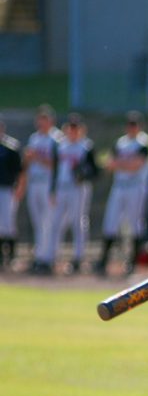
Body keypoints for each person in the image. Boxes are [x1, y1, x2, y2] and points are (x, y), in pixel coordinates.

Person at [96, 111, 148, 277]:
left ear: (139, 126)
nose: (132, 128)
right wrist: (123, 164)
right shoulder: (120, 143)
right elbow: (109, 164)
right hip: (120, 185)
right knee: (111, 221)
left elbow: (136, 165)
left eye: (135, 125)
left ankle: (132, 261)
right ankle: (103, 260)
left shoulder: (143, 142)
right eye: (130, 124)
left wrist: (120, 163)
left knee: (134, 223)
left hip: (136, 186)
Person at [47, 113, 97, 274]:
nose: (73, 131)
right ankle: (52, 257)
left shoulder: (86, 146)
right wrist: (52, 189)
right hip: (62, 186)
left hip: (78, 188)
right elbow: (55, 169)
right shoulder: (60, 145)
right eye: (70, 128)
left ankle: (78, 258)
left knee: (78, 222)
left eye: (76, 128)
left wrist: (84, 174)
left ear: (81, 130)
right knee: (56, 222)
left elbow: (94, 171)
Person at [23, 104, 61, 274]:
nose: (42, 123)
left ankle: (47, 258)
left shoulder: (56, 139)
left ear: (51, 121)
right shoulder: (34, 138)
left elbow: (57, 164)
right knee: (37, 222)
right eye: (40, 119)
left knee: (48, 222)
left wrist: (36, 157)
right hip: (35, 182)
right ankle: (39, 256)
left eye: (45, 119)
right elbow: (28, 163)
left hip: (48, 183)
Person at [0, 115, 23, 269]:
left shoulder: (11, 147)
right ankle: (2, 256)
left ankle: (12, 255)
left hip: (7, 189)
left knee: (8, 223)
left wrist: (19, 189)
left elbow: (20, 172)